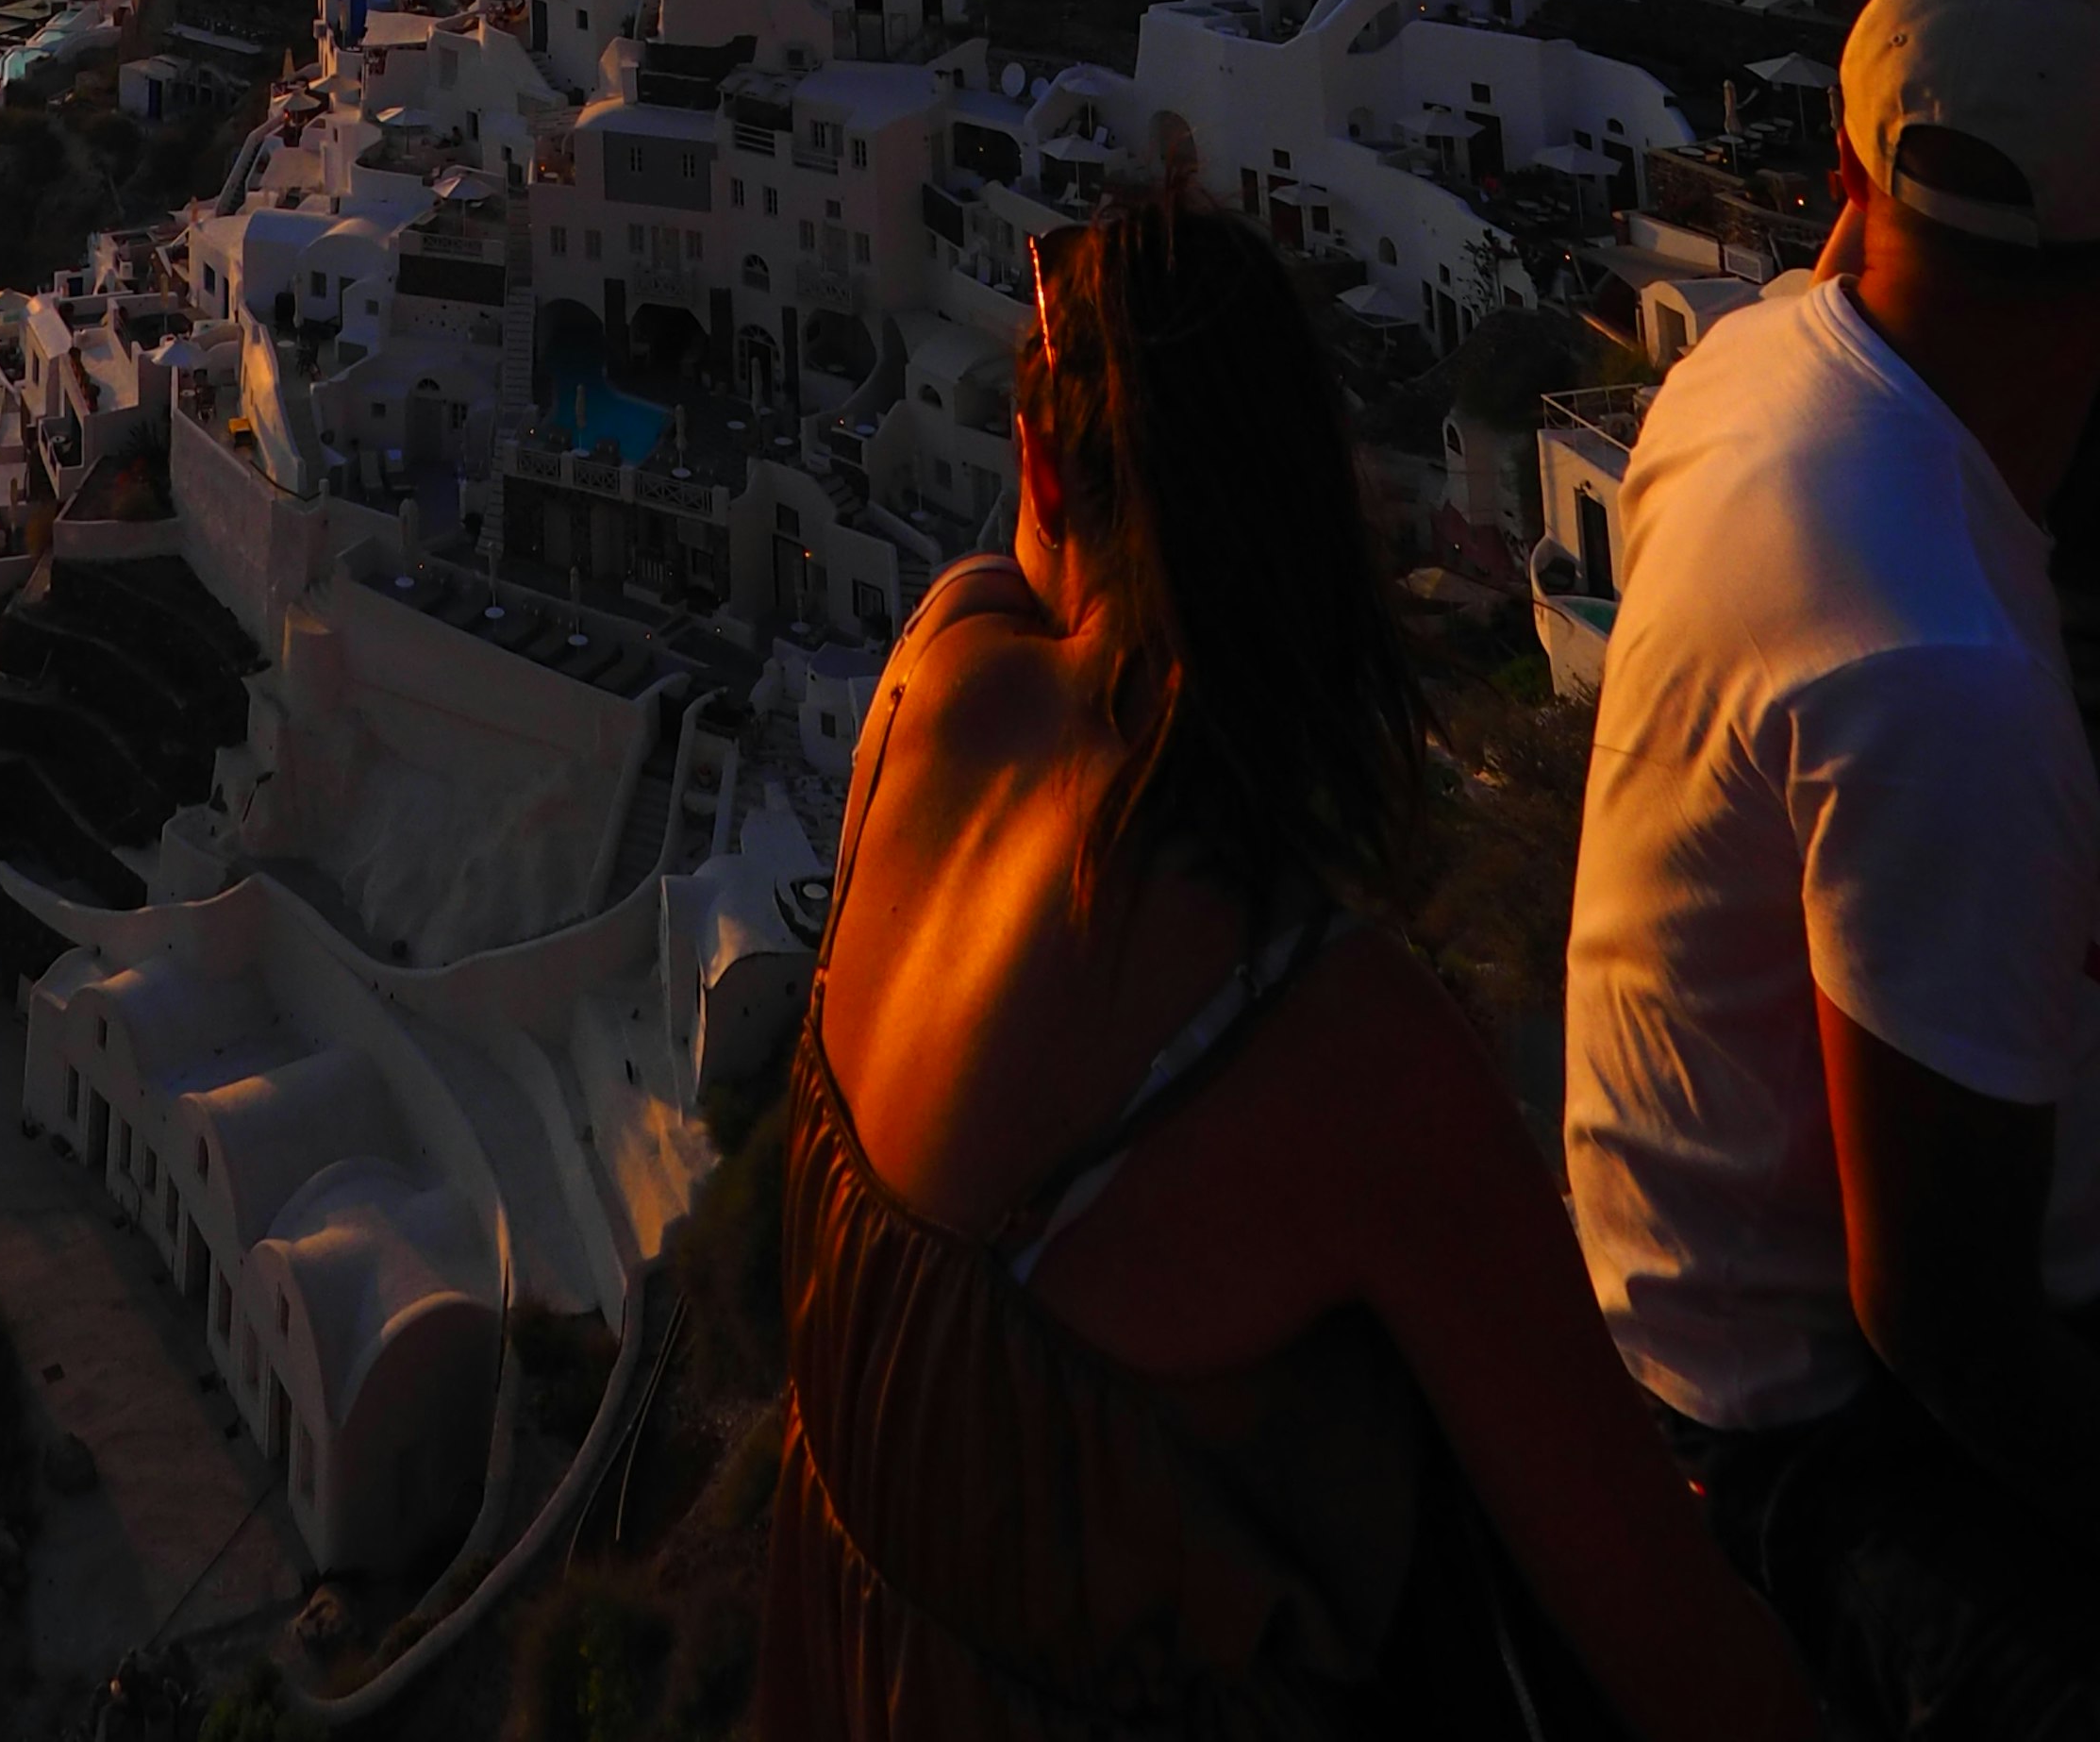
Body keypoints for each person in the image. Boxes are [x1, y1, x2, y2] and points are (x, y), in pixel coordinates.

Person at [767, 185, 1810, 1737]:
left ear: (1041, 465)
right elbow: (1666, 1639)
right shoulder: (1333, 1045)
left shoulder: (928, 693)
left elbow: (1027, 578)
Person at [1565, 0, 2100, 1734]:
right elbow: (1945, 1325)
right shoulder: (1942, 675)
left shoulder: (1753, 367)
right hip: (1804, 1428)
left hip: (1659, 1279)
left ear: (1850, 188)